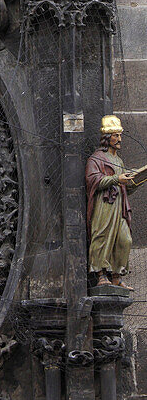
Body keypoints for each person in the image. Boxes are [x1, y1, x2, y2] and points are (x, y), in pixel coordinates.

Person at [85, 115, 142, 288]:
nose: (119, 139)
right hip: (104, 205)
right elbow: (93, 180)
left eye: (120, 135)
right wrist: (117, 179)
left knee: (125, 240)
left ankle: (117, 276)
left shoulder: (119, 160)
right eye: (115, 135)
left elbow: (124, 185)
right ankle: (101, 274)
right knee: (102, 236)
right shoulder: (96, 158)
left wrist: (135, 181)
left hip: (119, 205)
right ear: (107, 138)